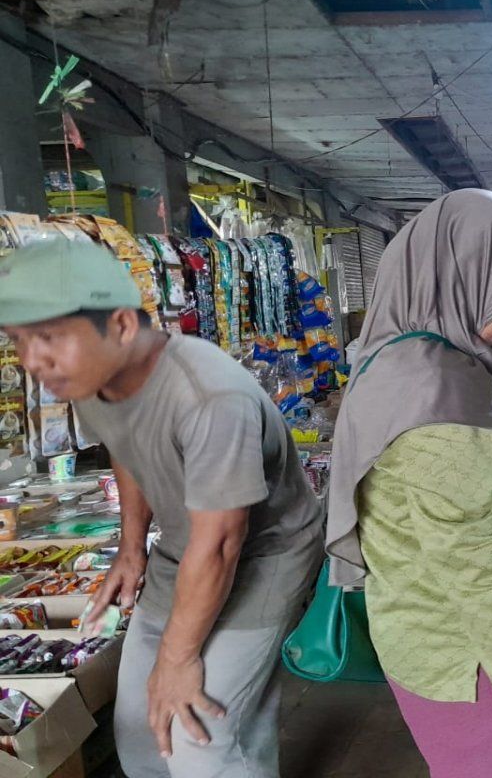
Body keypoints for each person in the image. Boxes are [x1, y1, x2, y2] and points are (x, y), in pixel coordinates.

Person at [0, 237, 323, 778]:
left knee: (203, 735)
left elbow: (222, 541)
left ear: (122, 326)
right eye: (19, 341)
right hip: (185, 545)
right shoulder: (92, 378)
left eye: (50, 337)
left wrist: (178, 658)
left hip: (266, 556)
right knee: (141, 729)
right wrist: (131, 547)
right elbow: (127, 446)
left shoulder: (209, 398)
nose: (33, 361)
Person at [326, 189, 492, 778]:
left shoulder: (425, 357)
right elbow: (473, 562)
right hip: (485, 665)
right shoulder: (435, 394)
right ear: (465, 273)